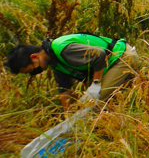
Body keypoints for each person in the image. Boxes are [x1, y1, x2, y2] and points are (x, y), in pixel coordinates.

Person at [5, 33, 139, 110]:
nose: (35, 72)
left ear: (34, 57)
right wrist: (68, 117)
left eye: (32, 69)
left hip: (123, 57)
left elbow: (99, 55)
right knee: (84, 106)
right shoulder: (54, 62)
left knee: (92, 105)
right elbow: (64, 90)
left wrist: (96, 85)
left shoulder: (62, 49)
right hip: (112, 65)